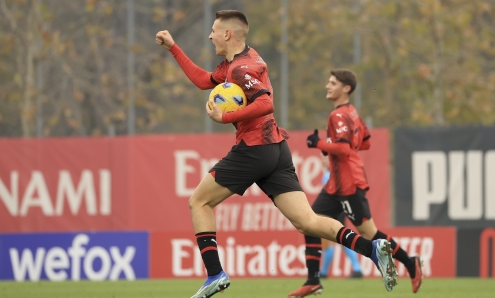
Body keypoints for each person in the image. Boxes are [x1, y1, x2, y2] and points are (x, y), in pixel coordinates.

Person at [156, 11, 397, 298]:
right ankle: (371, 248)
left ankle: (214, 274)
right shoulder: (240, 62)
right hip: (277, 150)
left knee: (199, 202)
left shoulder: (240, 70)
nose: (210, 36)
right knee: (307, 221)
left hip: (255, 148)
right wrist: (173, 47)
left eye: (213, 31)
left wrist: (226, 117)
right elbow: (203, 80)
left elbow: (266, 103)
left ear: (227, 35)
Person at [287, 69, 423, 298]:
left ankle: (410, 263)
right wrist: (336, 146)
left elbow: (343, 147)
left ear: (346, 88)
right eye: (328, 82)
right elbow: (365, 142)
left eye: (333, 83)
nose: (327, 86)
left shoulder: (338, 116)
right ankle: (313, 280)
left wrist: (319, 143)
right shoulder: (352, 113)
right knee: (308, 222)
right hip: (336, 185)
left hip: (348, 183)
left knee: (370, 232)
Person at [319, 157, 363, 279]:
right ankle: (357, 268)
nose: (322, 161)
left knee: (330, 240)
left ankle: (323, 272)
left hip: (334, 209)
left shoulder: (329, 175)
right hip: (341, 208)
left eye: (324, 158)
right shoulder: (337, 174)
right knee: (341, 239)